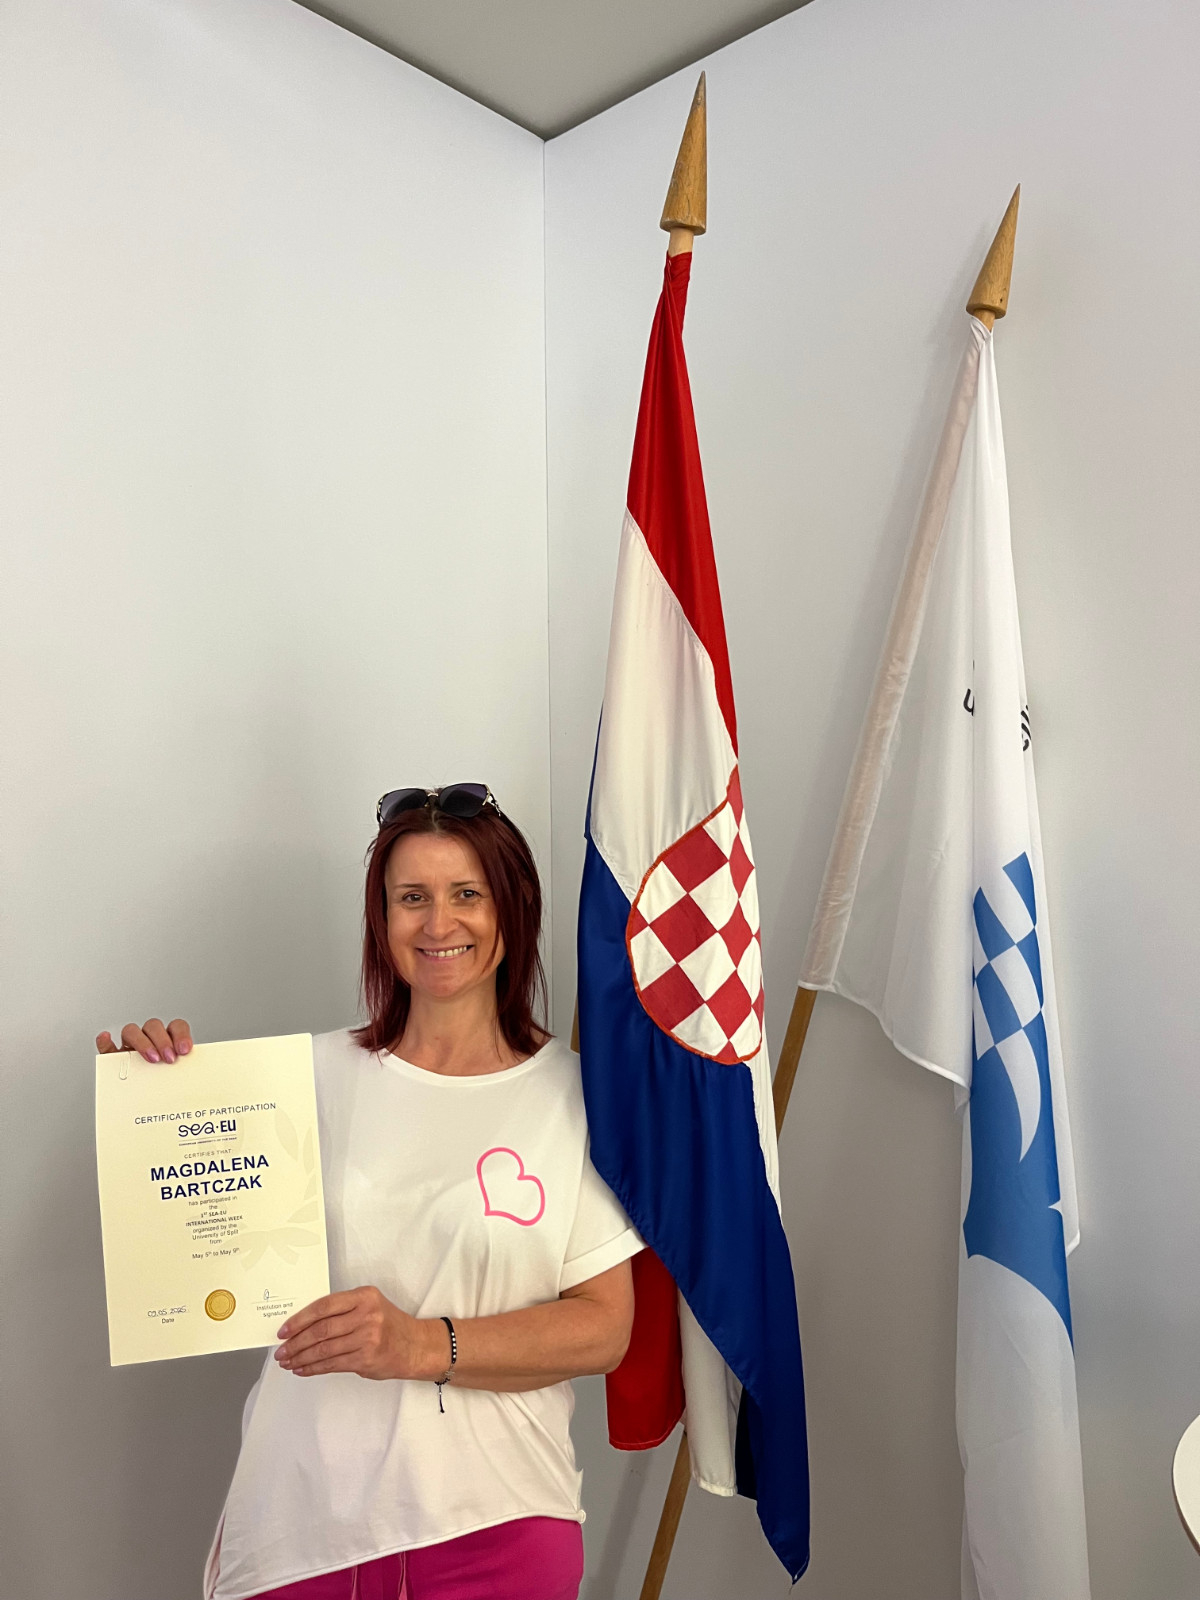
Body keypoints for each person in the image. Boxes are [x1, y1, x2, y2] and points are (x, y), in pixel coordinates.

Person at [98, 784, 641, 1600]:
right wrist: (150, 1102)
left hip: (500, 1525)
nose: (439, 923)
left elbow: (603, 1330)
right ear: (381, 919)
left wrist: (419, 1345)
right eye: (411, 897)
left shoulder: (577, 1097)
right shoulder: (298, 1081)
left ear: (513, 907)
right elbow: (195, 1250)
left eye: (467, 894)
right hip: (301, 1528)